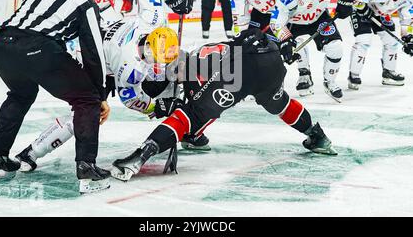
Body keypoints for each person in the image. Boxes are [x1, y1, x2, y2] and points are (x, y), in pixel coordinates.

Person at [14, 0, 208, 173]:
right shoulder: (131, 68)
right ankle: (31, 153)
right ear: (148, 50)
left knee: (182, 67)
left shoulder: (154, 20)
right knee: (86, 115)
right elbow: (130, 98)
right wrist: (157, 107)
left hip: (111, 42)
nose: (159, 64)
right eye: (157, 60)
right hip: (95, 65)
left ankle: (188, 130)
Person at [110, 28, 338, 182]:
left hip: (238, 74)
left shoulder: (191, 74)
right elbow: (253, 36)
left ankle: (140, 156)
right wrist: (279, 49)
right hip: (268, 60)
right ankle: (317, 136)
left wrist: (178, 121)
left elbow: (192, 112)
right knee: (280, 103)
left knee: (188, 116)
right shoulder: (201, 51)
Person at [0, 0, 112, 194]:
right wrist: (100, 94)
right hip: (35, 48)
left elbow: (27, 24)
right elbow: (93, 52)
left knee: (21, 94)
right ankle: (86, 166)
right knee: (86, 99)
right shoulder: (83, 0)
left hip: (0, 45)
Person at [270, 0, 353, 102]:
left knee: (336, 48)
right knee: (292, 49)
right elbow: (276, 23)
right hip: (294, 22)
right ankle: (304, 74)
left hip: (319, 18)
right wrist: (285, 40)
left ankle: (330, 81)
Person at [347, 0, 413, 90]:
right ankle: (354, 75)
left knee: (392, 42)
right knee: (364, 41)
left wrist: (408, 38)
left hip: (380, 13)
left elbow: (406, 21)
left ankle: (388, 72)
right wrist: (363, 7)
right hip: (361, 10)